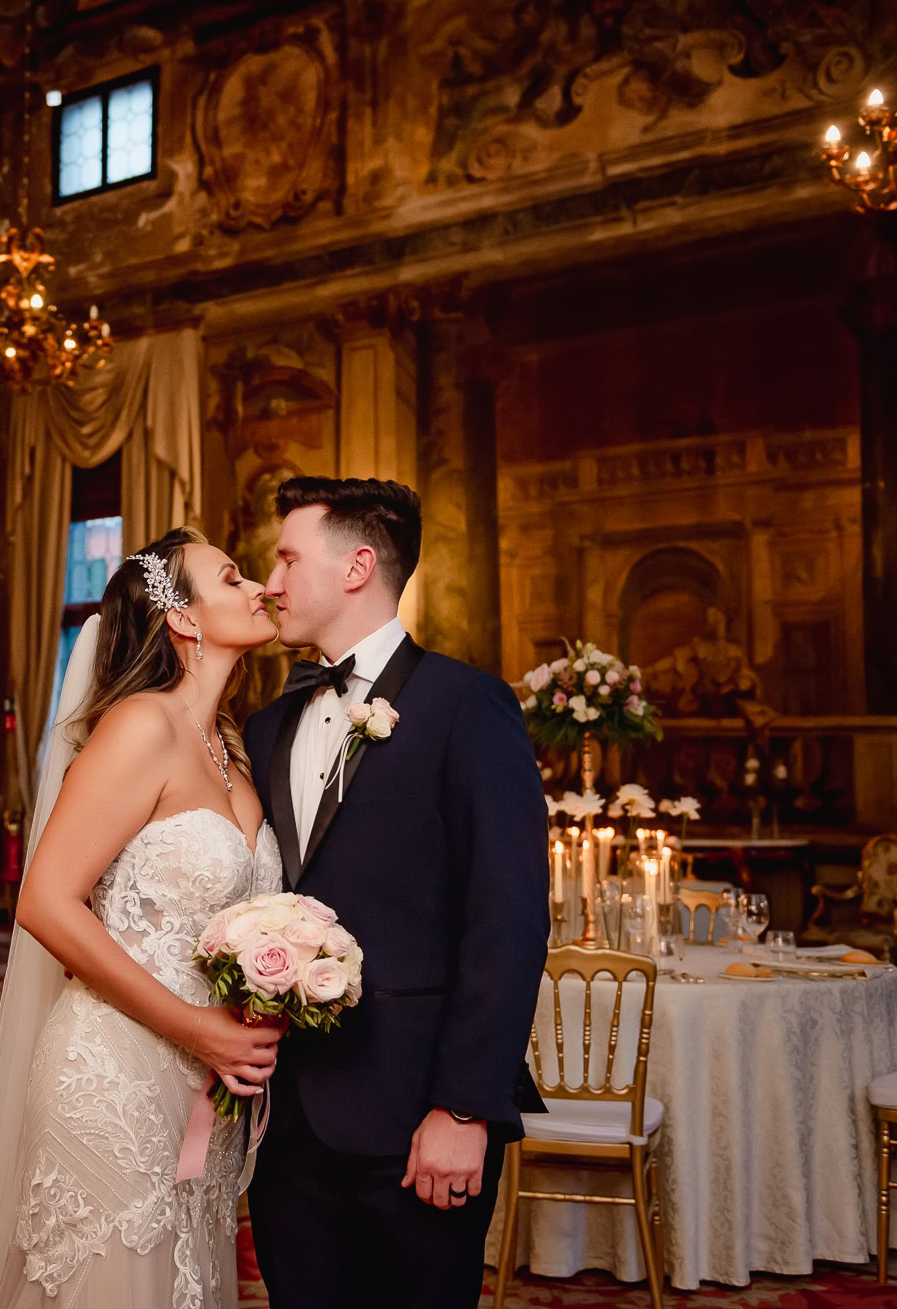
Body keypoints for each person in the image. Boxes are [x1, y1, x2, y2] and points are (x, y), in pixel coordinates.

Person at [0, 528, 285, 1309]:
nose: (259, 585)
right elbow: (44, 901)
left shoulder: (230, 744)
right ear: (185, 620)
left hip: (205, 1082)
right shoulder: (143, 725)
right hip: (115, 1071)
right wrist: (199, 1030)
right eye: (231, 578)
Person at [244, 476, 549, 1308]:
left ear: (357, 567)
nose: (270, 582)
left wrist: (464, 1107)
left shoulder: (466, 704)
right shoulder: (267, 725)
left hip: (417, 1116)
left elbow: (509, 920)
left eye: (286, 558)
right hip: (286, 1122)